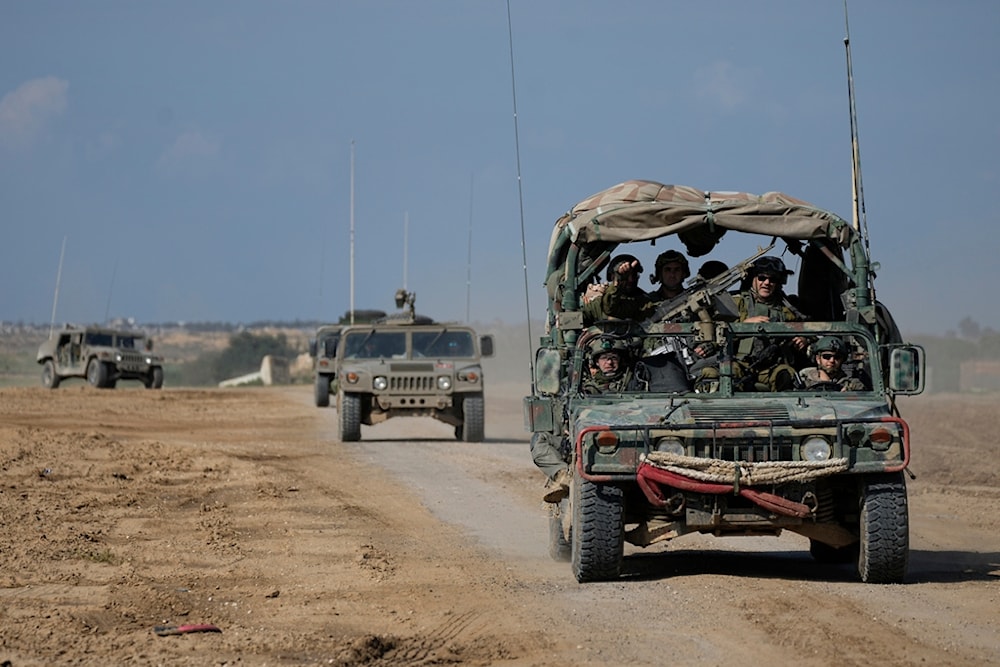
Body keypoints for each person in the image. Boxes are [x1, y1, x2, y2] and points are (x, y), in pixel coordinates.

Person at [582, 254, 647, 323]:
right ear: (612, 277)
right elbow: (609, 308)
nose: (630, 280)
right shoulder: (598, 303)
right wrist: (617, 282)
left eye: (634, 275)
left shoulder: (644, 302)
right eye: (625, 276)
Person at [799, 336, 869, 391]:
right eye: (827, 356)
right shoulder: (803, 381)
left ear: (842, 360)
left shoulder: (849, 384)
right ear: (818, 359)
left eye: (837, 357)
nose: (832, 360)